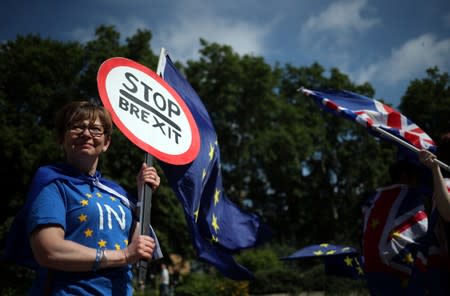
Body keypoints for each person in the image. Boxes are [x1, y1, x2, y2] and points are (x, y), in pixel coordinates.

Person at [3, 101, 161, 295]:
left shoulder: (118, 194)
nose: (86, 134)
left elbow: (140, 249)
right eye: (77, 126)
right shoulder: (54, 185)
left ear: (106, 143)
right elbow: (49, 250)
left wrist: (143, 195)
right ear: (61, 138)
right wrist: (123, 255)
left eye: (96, 129)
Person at [361, 148, 430, 295]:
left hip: (374, 275)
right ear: (405, 174)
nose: (418, 181)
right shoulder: (410, 196)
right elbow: (426, 233)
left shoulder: (375, 198)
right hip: (403, 279)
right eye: (416, 175)